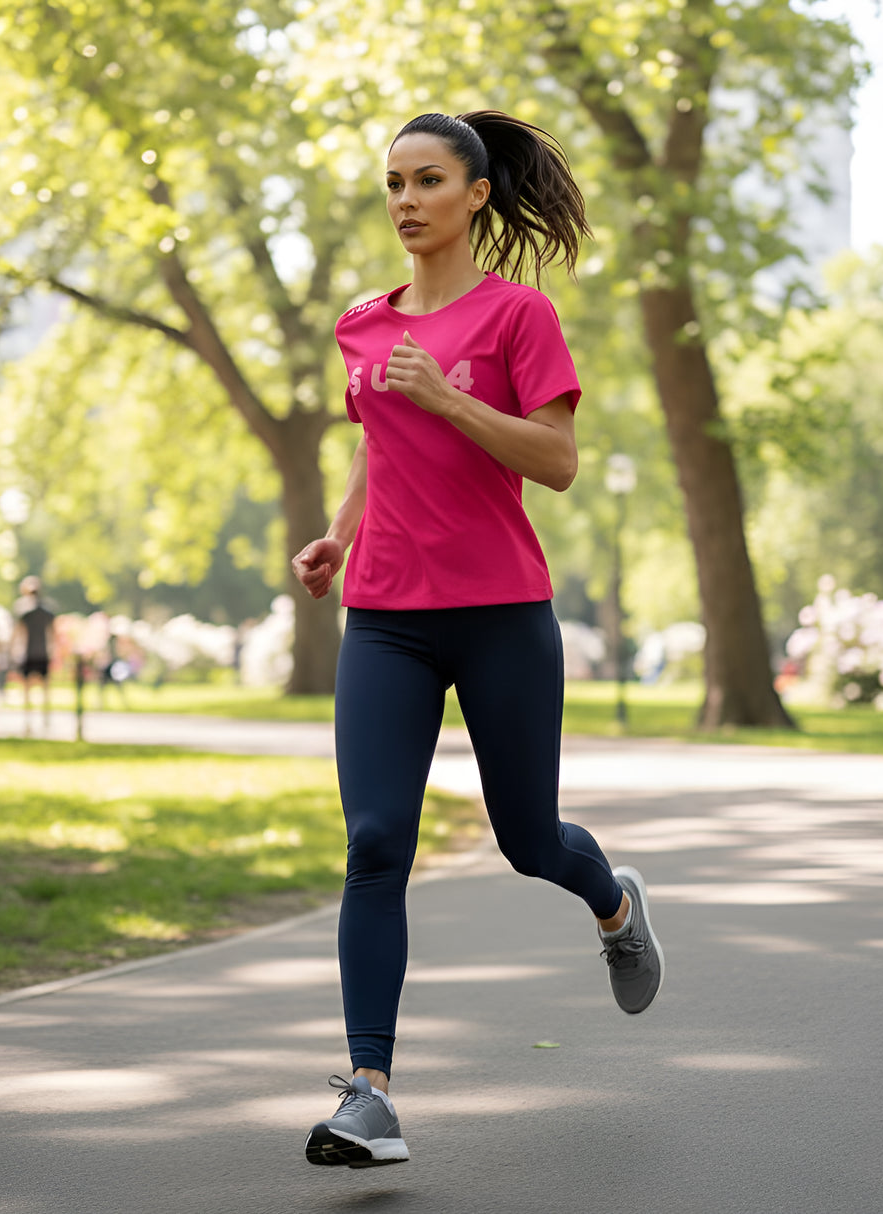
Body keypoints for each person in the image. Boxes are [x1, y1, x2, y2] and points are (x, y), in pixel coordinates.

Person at [291, 110, 664, 1169]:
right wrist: (335, 535)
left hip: (500, 612)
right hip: (386, 619)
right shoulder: (363, 323)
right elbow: (379, 445)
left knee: (526, 838)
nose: (405, 200)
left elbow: (554, 461)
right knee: (373, 841)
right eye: (393, 183)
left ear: (475, 194)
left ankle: (612, 900)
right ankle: (368, 1092)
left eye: (426, 180)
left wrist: (451, 404)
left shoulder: (518, 316)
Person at [14, 575, 55, 735]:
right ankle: (43, 718)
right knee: (44, 688)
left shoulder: (25, 612)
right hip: (41, 653)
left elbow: (19, 633)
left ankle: (31, 719)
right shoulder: (45, 612)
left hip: (30, 654)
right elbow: (52, 633)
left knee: (28, 689)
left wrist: (15, 650)